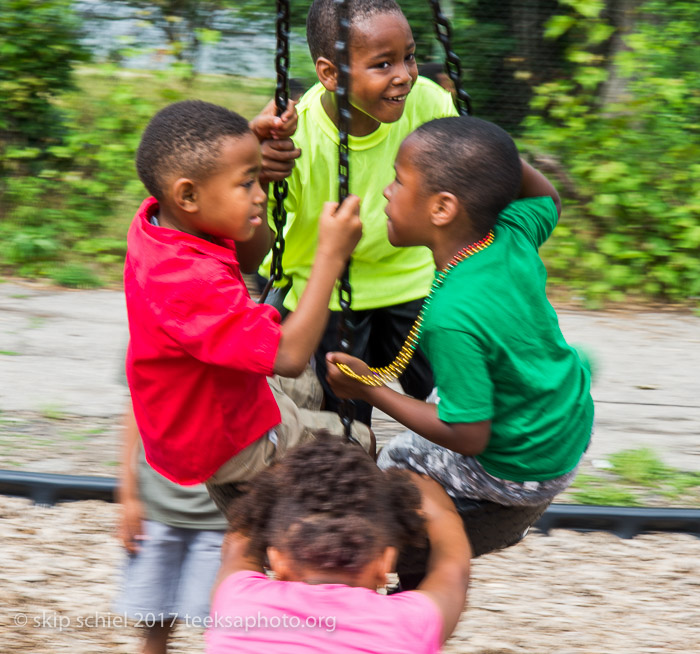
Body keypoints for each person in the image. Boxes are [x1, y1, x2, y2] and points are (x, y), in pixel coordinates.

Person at [327, 116, 594, 511]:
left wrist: (370, 389)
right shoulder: (513, 233)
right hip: (567, 424)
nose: (386, 191)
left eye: (399, 181)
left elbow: (467, 436)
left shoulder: (450, 318)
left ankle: (426, 565)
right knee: (450, 390)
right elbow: (549, 198)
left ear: (442, 208)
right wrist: (497, 157)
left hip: (519, 468)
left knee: (393, 464)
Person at [124, 99, 372, 514]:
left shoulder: (164, 219)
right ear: (187, 194)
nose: (260, 195)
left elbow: (253, 256)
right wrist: (329, 256)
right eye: (247, 184)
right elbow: (289, 356)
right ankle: (271, 513)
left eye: (257, 179)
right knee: (358, 442)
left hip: (199, 407)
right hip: (223, 440)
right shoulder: (190, 281)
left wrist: (252, 144)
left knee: (308, 388)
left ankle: (280, 459)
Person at [260, 0, 458, 425]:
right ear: (330, 74)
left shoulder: (430, 104)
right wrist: (260, 173)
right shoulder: (300, 135)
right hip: (327, 290)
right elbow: (255, 232)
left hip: (416, 280)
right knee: (342, 433)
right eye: (383, 64)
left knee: (457, 407)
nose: (404, 75)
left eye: (409, 56)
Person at [205, 437, 470, 653]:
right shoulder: (408, 623)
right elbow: (453, 571)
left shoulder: (239, 606)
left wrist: (270, 488)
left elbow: (237, 547)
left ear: (277, 562)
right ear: (384, 564)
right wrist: (438, 511)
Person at [115, 401, 226, 654]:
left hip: (226, 510)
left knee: (225, 625)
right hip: (157, 502)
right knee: (154, 628)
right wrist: (128, 495)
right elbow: (135, 403)